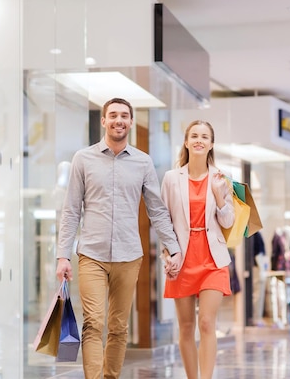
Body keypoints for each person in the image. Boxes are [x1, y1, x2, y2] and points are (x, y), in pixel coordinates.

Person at [56, 98, 181, 379]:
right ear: (103, 121)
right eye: (113, 115)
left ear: (131, 122)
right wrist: (63, 255)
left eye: (124, 116)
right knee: (93, 323)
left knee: (119, 326)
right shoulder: (83, 159)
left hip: (129, 255)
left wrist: (172, 248)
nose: (118, 120)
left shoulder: (143, 162)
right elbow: (71, 210)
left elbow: (157, 210)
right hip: (92, 255)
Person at [160, 120, 235, 379]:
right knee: (186, 326)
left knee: (206, 323)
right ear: (186, 141)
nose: (199, 140)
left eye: (204, 136)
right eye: (194, 136)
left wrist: (221, 195)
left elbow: (228, 222)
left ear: (212, 143)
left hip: (213, 259)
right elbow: (163, 221)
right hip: (183, 259)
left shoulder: (221, 178)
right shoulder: (171, 178)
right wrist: (168, 252)